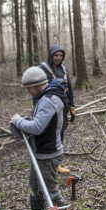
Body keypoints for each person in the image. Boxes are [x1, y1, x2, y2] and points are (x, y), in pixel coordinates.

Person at [10, 66, 68, 210]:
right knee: (35, 185)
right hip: (40, 151)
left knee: (50, 190)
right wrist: (24, 125)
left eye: (29, 88)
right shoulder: (44, 97)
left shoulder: (48, 100)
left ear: (36, 85)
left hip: (48, 154)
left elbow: (37, 127)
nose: (28, 92)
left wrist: (19, 121)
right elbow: (40, 122)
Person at [39, 44, 76, 174]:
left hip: (63, 108)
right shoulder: (42, 69)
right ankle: (47, 165)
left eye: (60, 55)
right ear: (51, 55)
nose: (58, 58)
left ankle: (57, 164)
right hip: (49, 109)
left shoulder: (64, 69)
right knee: (50, 136)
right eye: (56, 55)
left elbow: (69, 89)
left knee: (60, 135)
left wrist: (72, 107)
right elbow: (37, 90)